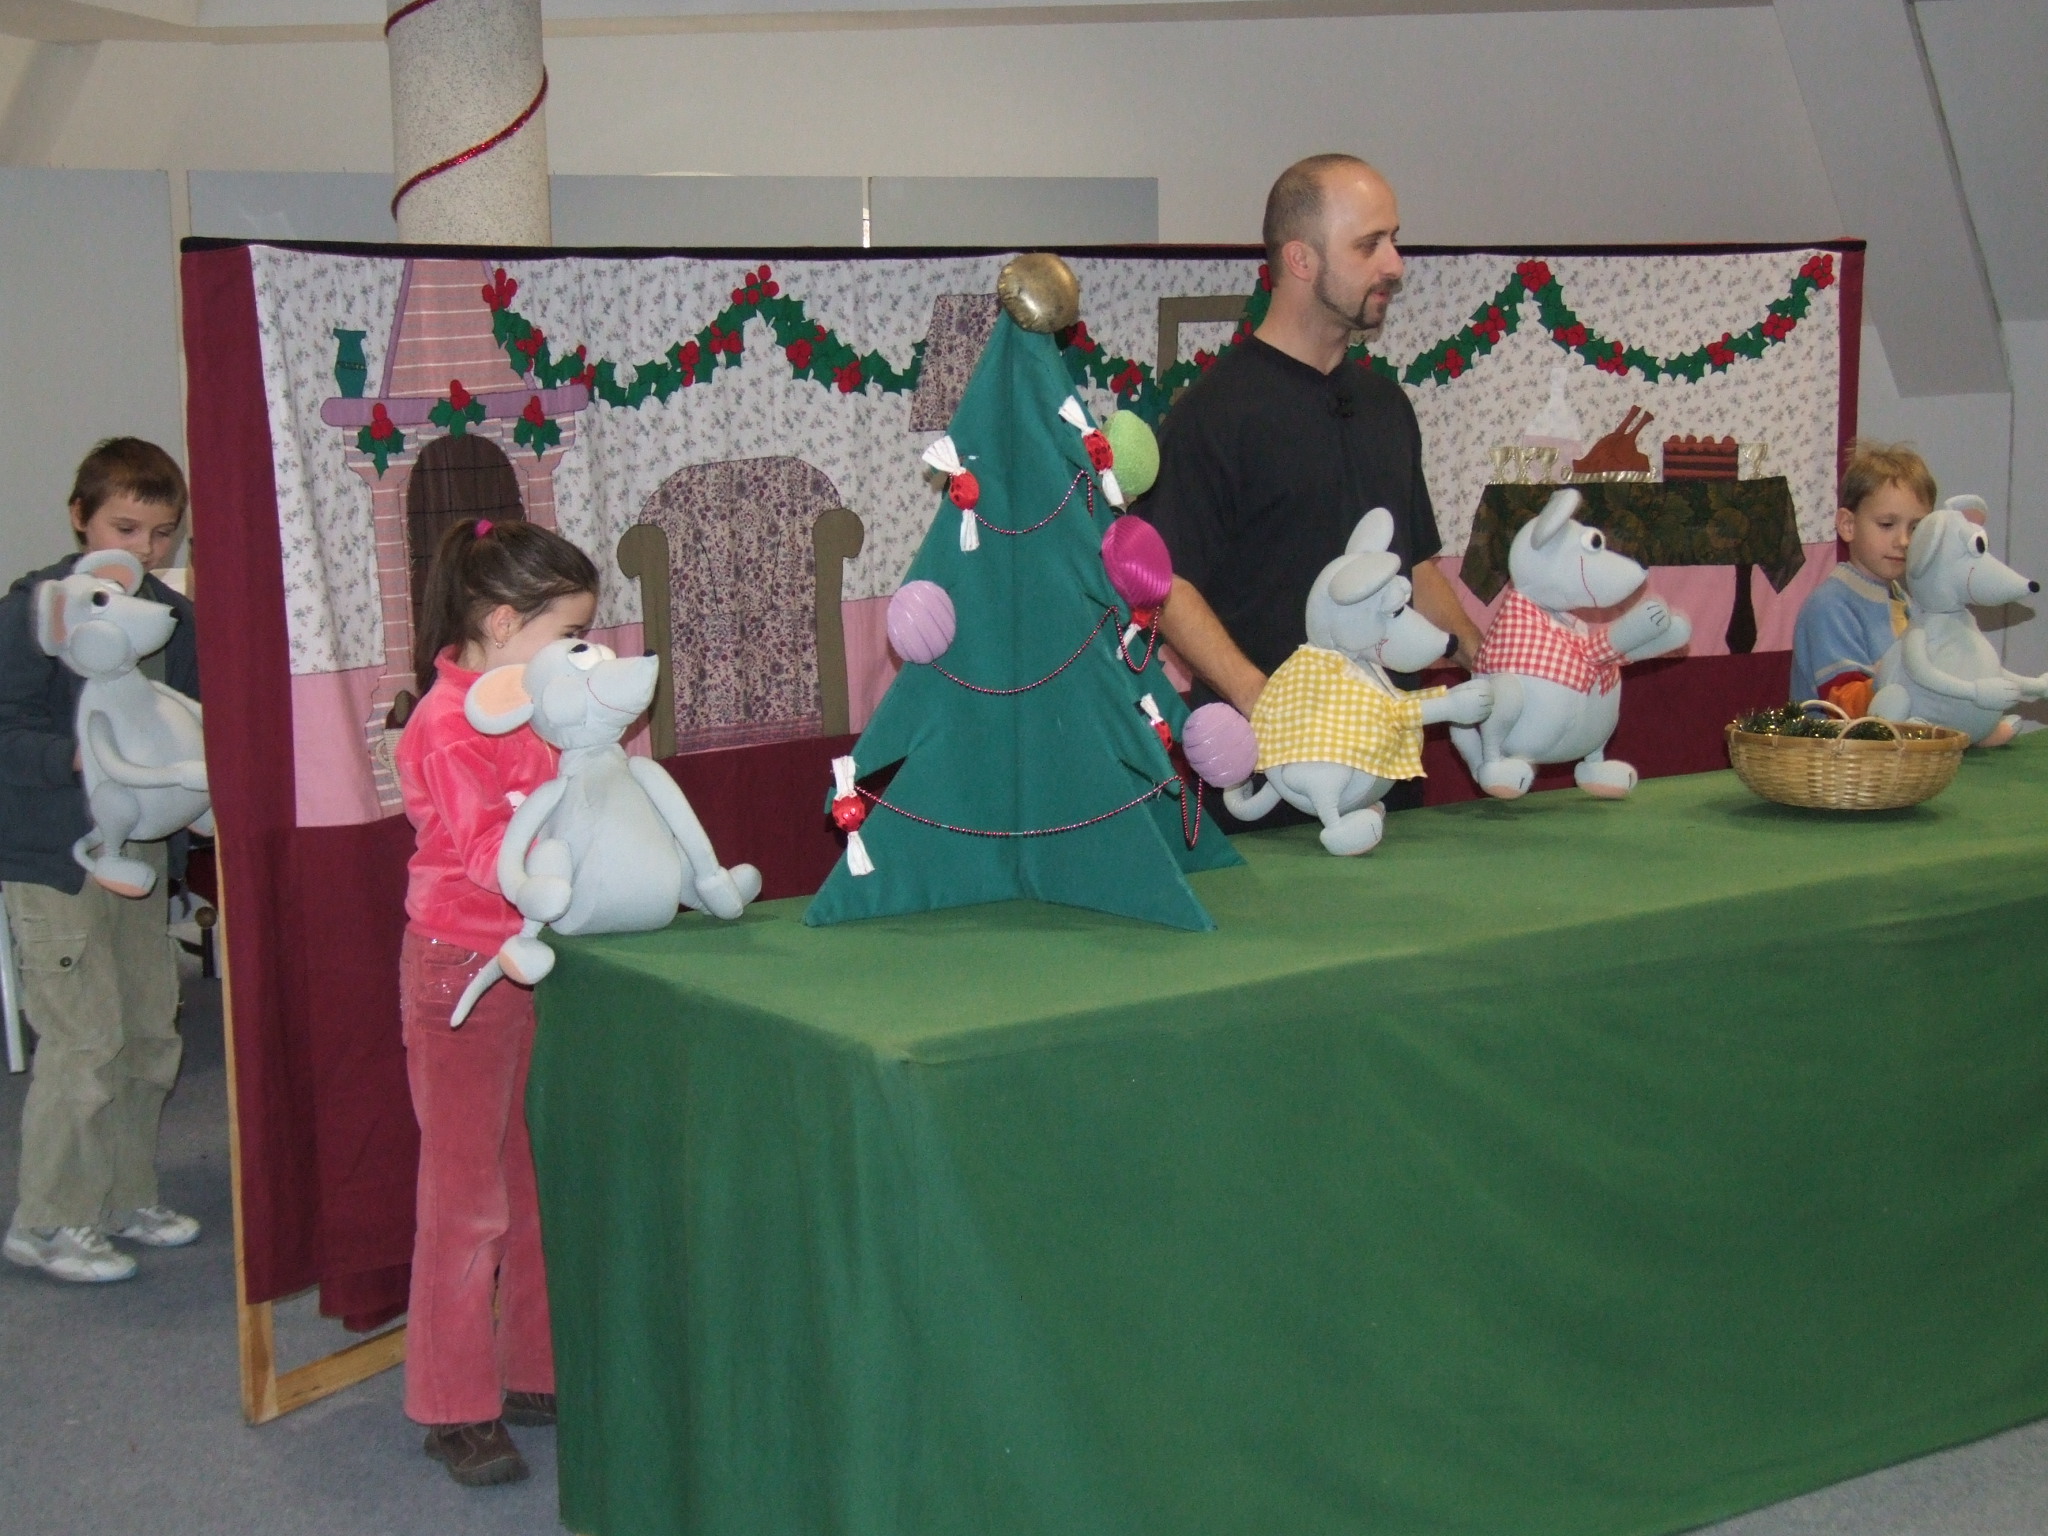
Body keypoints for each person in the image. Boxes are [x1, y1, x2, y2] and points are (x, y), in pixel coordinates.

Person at [1141, 154, 1481, 818]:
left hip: (1388, 776)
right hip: (1270, 787)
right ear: (1300, 259)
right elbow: (1168, 587)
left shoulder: (1387, 407)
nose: (1395, 265)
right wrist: (1266, 703)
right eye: (1368, 244)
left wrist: (1477, 647)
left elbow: (1414, 566)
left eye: (1394, 240)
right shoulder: (1213, 414)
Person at [397, 516, 598, 1487]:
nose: (580, 653)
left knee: (532, 1179)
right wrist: (572, 865)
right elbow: (490, 852)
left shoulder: (533, 707)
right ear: (507, 621)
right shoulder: (446, 723)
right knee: (464, 1201)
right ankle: (451, 1405)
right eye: (570, 634)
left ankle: (533, 1371)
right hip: (462, 976)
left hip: (531, 964)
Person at [1, 438, 201, 1285]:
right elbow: (7, 729)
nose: (146, 549)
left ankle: (122, 1195)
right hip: (55, 855)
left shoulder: (172, 617)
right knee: (84, 1039)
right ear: (79, 517)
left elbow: (190, 719)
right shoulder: (34, 610)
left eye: (163, 532)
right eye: (126, 527)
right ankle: (49, 1220)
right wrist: (78, 758)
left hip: (144, 854)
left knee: (149, 1030)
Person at [1790, 441, 1936, 715]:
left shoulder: (1905, 602)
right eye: (1887, 524)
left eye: (1916, 528)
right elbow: (1844, 704)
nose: (1904, 541)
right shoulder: (1829, 606)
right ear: (1848, 525)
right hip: (1838, 742)